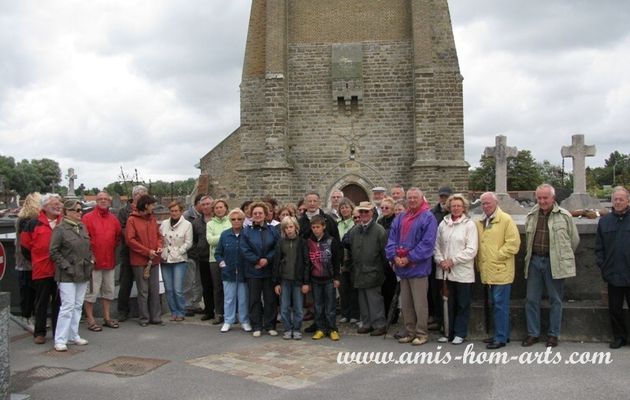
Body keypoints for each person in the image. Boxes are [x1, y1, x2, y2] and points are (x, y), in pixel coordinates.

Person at [522, 184, 579, 348]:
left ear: (553, 198)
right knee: (531, 299)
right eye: (539, 198)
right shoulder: (532, 215)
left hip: (554, 262)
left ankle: (553, 335)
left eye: (545, 198)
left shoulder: (564, 216)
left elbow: (573, 240)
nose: (542, 201)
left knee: (556, 300)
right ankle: (533, 333)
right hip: (535, 262)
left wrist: (561, 257)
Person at [386, 188, 437, 346]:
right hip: (402, 266)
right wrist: (394, 257)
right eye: (410, 198)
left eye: (415, 197)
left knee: (420, 303)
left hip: (418, 267)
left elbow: (427, 243)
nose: (412, 200)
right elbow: (391, 239)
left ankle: (421, 333)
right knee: (406, 303)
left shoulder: (428, 217)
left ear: (422, 199)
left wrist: (409, 258)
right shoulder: (401, 217)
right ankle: (409, 331)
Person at [475, 192, 521, 349]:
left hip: (501, 269)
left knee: (500, 304)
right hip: (488, 270)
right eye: (483, 203)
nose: (485, 206)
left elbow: (513, 244)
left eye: (488, 203)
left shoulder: (506, 219)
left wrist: (497, 256)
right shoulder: (480, 221)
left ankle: (500, 337)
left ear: (496, 204)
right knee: (495, 303)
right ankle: (501, 334)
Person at [433, 194, 478, 345]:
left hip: (462, 272)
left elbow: (471, 249)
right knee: (447, 303)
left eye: (459, 206)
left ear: (464, 208)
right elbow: (437, 245)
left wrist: (453, 261)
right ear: (449, 208)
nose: (456, 208)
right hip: (445, 271)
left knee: (462, 303)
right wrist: (440, 260)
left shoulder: (469, 225)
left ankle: (460, 333)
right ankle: (447, 332)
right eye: (453, 206)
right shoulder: (443, 224)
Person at [49, 199, 93, 352]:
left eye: (81, 210)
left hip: (83, 271)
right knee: (67, 306)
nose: (80, 213)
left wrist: (90, 259)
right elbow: (53, 251)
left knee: (77, 305)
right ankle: (60, 339)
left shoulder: (82, 227)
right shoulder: (60, 229)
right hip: (67, 274)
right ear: (67, 212)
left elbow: (88, 247)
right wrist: (66, 266)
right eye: (76, 210)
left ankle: (73, 335)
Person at [20, 193, 63, 344]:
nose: (58, 206)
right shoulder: (33, 223)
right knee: (41, 302)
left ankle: (59, 332)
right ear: (45, 207)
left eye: (59, 203)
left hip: (60, 269)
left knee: (59, 302)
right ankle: (40, 332)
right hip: (42, 269)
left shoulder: (63, 222)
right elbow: (25, 246)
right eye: (54, 204)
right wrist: (37, 260)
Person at [595, 186, 630, 349]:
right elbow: (599, 247)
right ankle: (619, 336)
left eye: (621, 199)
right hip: (613, 273)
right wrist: (603, 266)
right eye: (615, 199)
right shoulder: (604, 221)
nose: (617, 202)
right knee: (614, 309)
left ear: (627, 201)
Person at [82, 191, 122, 331]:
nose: (103, 201)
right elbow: (83, 239)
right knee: (92, 292)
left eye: (105, 199)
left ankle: (107, 317)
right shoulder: (87, 218)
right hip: (94, 263)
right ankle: (90, 319)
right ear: (96, 201)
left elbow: (117, 238)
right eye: (100, 199)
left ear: (109, 202)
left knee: (108, 291)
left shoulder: (113, 219)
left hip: (109, 261)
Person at [347, 202, 388, 336]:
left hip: (374, 271)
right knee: (363, 299)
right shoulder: (354, 230)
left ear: (372, 212)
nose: (364, 214)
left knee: (374, 299)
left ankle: (379, 324)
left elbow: (384, 253)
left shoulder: (379, 230)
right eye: (362, 212)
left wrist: (382, 269)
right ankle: (366, 323)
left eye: (366, 212)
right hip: (359, 271)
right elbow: (348, 245)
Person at [240, 202, 280, 337]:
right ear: (251, 215)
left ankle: (270, 325)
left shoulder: (273, 230)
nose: (257, 215)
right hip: (253, 270)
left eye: (260, 213)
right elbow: (244, 249)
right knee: (254, 299)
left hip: (268, 270)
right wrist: (257, 260)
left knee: (270, 299)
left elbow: (277, 247)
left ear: (265, 215)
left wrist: (266, 259)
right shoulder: (246, 231)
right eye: (255, 213)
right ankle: (256, 325)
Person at [125, 194, 164, 327]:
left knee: (154, 289)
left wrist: (159, 246)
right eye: (152, 205)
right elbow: (130, 240)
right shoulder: (132, 220)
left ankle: (156, 317)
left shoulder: (152, 219)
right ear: (146, 205)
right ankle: (144, 318)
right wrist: (147, 251)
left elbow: (158, 235)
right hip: (140, 260)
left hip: (154, 259)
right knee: (143, 290)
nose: (153, 207)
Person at [305, 215, 342, 341]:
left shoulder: (331, 241)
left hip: (329, 278)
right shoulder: (309, 242)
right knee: (318, 306)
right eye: (313, 227)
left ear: (324, 227)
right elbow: (307, 262)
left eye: (318, 227)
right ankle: (320, 328)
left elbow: (337, 261)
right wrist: (307, 280)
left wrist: (337, 277)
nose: (315, 230)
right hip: (315, 279)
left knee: (330, 306)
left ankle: (332, 329)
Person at [215, 208, 252, 332]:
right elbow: (218, 253)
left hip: (243, 272)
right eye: (233, 219)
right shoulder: (225, 234)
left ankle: (244, 320)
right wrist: (222, 264)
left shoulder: (247, 233)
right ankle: (228, 320)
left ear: (243, 220)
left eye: (239, 219)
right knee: (229, 298)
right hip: (228, 272)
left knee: (243, 298)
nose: (236, 221)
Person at [273, 216, 309, 340]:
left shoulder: (302, 242)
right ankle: (287, 328)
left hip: (298, 280)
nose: (289, 230)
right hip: (284, 280)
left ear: (296, 227)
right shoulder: (280, 243)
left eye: (291, 227)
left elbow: (306, 263)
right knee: (284, 307)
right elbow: (276, 263)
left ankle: (297, 328)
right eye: (286, 228)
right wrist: (276, 282)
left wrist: (306, 282)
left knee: (298, 307)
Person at [117, 184, 148, 321]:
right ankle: (123, 311)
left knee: (145, 284)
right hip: (129, 252)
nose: (142, 199)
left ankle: (147, 311)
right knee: (126, 282)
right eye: (139, 196)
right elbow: (124, 232)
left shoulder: (148, 211)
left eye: (144, 196)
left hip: (145, 253)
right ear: (134, 196)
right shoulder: (124, 212)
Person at [160, 201, 193, 322]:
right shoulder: (164, 224)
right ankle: (173, 311)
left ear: (180, 211)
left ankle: (181, 311)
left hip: (179, 259)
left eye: (176, 211)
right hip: (165, 259)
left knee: (178, 288)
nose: (174, 213)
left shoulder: (187, 225)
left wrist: (178, 252)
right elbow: (160, 239)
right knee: (168, 288)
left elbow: (188, 243)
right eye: (172, 211)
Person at [15, 192, 41, 333]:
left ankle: (35, 318)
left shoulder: (27, 219)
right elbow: (25, 244)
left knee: (35, 292)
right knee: (27, 293)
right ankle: (27, 318)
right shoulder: (25, 220)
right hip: (26, 263)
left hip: (32, 262)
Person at [429, 186, 453, 331]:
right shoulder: (432, 214)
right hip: (436, 258)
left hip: (451, 259)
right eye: (442, 197)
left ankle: (448, 321)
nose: (444, 199)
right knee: (435, 290)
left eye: (446, 197)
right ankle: (438, 318)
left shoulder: (455, 213)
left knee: (449, 292)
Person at [206, 199, 232, 325]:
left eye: (221, 207)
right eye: (216, 208)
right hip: (214, 259)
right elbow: (210, 241)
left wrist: (221, 237)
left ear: (226, 208)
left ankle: (231, 313)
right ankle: (219, 313)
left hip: (230, 258)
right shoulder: (210, 224)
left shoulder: (231, 221)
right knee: (217, 288)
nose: (219, 209)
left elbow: (233, 237)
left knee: (230, 287)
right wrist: (225, 235)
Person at [183, 193, 208, 316]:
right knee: (190, 280)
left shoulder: (206, 217)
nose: (205, 207)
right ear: (197, 204)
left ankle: (196, 303)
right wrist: (194, 250)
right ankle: (188, 305)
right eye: (203, 204)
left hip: (202, 255)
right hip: (191, 253)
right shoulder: (187, 216)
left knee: (199, 281)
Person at [191, 195, 215, 320]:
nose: (205, 206)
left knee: (218, 285)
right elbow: (193, 241)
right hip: (203, 258)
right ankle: (209, 310)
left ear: (213, 204)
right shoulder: (196, 223)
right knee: (206, 286)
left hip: (217, 259)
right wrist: (198, 253)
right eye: (203, 204)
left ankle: (220, 310)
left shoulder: (218, 220)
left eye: (208, 204)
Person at [337, 198, 359, 324]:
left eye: (347, 207)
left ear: (351, 208)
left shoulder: (355, 221)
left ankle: (355, 314)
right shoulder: (338, 223)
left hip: (352, 257)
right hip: (341, 258)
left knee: (353, 287)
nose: (344, 209)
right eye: (342, 208)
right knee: (343, 287)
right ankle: (345, 313)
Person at [377, 197, 398, 321]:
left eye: (387, 207)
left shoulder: (396, 221)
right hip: (382, 259)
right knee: (384, 289)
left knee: (392, 289)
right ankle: (385, 314)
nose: (384, 209)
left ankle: (393, 316)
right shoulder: (380, 221)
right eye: (382, 207)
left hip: (392, 258)